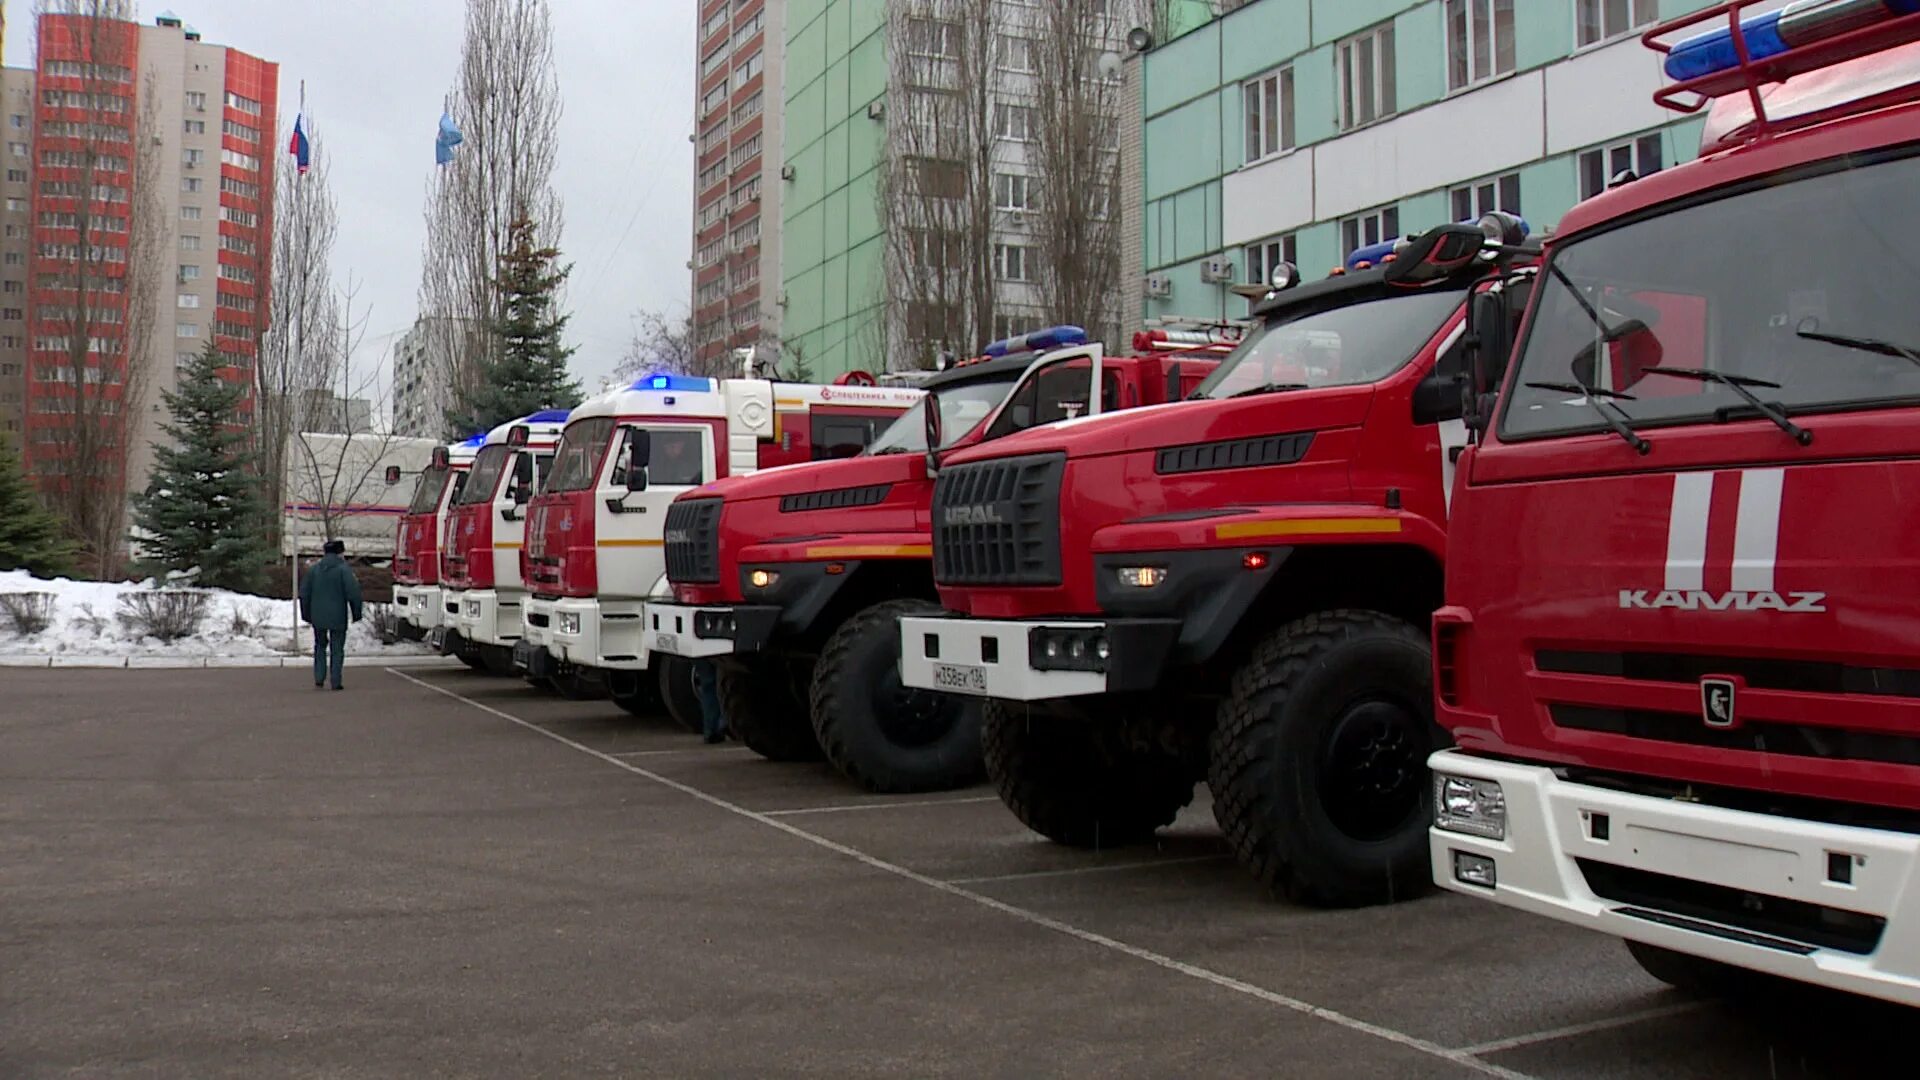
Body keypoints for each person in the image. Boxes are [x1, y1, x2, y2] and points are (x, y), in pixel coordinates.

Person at [300, 539, 363, 690]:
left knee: (320, 645)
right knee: (337, 648)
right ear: (340, 553)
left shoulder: (314, 570)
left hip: (318, 615)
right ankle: (336, 681)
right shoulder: (343, 570)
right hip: (338, 616)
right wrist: (356, 613)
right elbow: (353, 593)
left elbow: (304, 594)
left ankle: (319, 677)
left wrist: (307, 614)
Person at [690, 659, 728, 744]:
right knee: (716, 686)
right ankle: (719, 726)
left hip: (701, 652)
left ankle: (710, 730)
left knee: (708, 686)